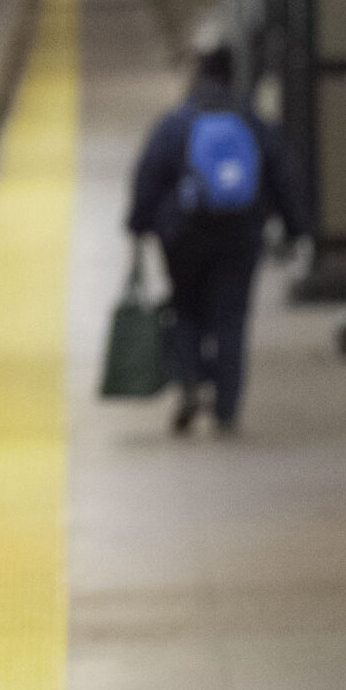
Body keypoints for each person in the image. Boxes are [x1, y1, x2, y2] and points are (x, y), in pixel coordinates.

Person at [127, 37, 310, 435]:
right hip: (240, 236)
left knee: (187, 310)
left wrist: (139, 225)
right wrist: (296, 228)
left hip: (184, 237)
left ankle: (191, 382)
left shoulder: (176, 123)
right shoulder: (254, 122)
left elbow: (149, 176)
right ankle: (226, 406)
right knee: (231, 318)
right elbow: (283, 175)